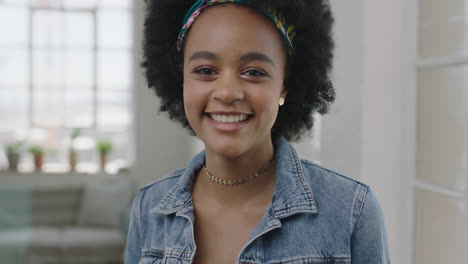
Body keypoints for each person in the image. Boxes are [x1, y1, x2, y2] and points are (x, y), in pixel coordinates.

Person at [125, 0, 390, 263]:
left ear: (284, 85)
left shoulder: (351, 210)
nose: (227, 92)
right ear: (181, 78)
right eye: (205, 70)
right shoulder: (149, 207)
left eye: (253, 72)